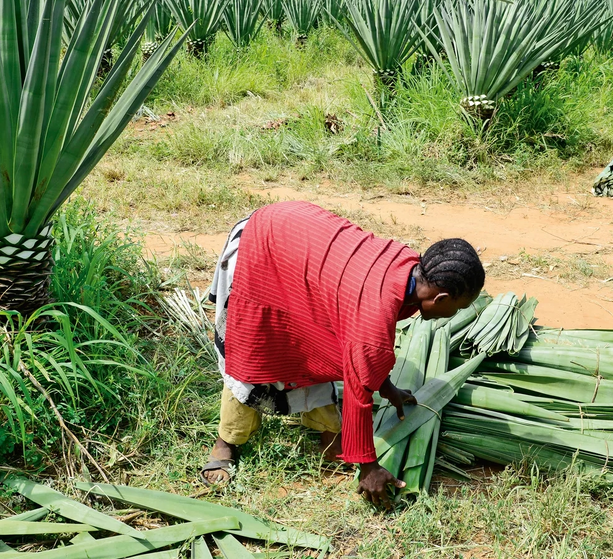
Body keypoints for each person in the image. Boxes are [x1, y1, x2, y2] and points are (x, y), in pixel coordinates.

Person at [200, 201, 485, 509]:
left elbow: (359, 353)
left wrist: (386, 386)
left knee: (317, 346)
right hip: (263, 246)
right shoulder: (376, 313)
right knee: (254, 350)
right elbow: (358, 393)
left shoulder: (410, 272)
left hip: (298, 241)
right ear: (440, 297)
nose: (453, 314)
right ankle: (227, 441)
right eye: (457, 308)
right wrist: (369, 467)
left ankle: (324, 428)